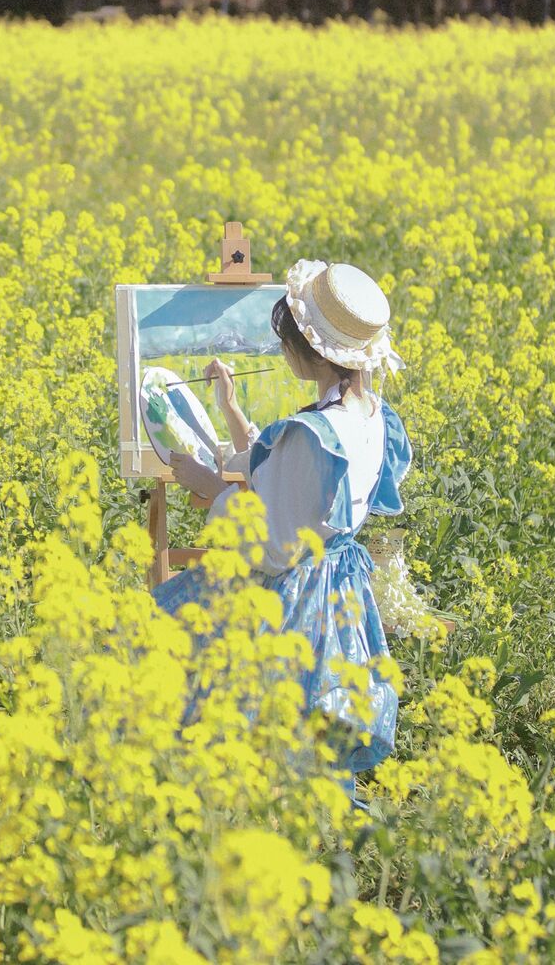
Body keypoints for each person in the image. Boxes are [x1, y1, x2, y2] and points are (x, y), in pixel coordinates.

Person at [155, 258, 412, 782]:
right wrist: (230, 408)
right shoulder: (369, 416)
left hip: (292, 591)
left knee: (174, 655)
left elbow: (274, 546)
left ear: (309, 349)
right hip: (337, 585)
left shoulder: (313, 435)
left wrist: (210, 488)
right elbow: (283, 476)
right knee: (309, 732)